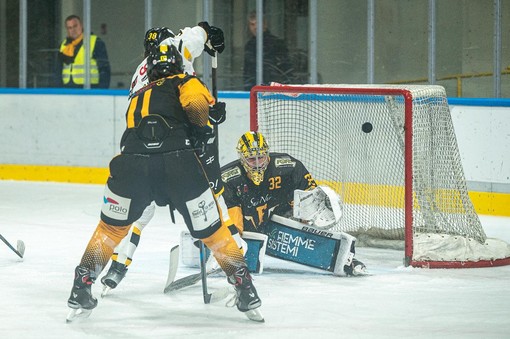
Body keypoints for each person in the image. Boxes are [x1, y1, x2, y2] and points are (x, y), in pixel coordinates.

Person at [66, 44, 262, 322]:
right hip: (179, 166)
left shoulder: (138, 94)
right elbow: (195, 107)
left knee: (109, 230)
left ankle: (81, 287)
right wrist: (206, 123)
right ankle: (245, 289)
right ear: (178, 65)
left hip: (131, 166)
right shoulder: (184, 81)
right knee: (214, 232)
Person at [100, 23, 236, 293]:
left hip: (138, 148)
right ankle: (234, 263)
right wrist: (209, 33)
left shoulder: (141, 71)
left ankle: (118, 264)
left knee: (138, 211)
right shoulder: (177, 47)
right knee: (209, 197)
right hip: (178, 149)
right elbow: (197, 37)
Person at [220, 131, 367, 276]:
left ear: (267, 154)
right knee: (232, 231)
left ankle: (342, 260)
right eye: (252, 159)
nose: (258, 164)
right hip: (248, 224)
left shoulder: (288, 167)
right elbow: (231, 218)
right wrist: (230, 249)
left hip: (276, 216)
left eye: (261, 157)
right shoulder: (229, 178)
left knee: (301, 215)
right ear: (242, 158)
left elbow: (310, 195)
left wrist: (310, 217)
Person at [56, 15, 111, 88]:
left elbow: (104, 69)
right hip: (68, 89)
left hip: (90, 88)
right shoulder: (63, 45)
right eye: (69, 28)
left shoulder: (95, 42)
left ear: (81, 26)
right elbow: (57, 70)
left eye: (75, 26)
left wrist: (102, 91)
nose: (73, 30)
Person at [243, 11, 294, 91]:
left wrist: (285, 86)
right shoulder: (249, 45)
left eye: (258, 23)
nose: (255, 27)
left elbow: (286, 68)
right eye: (252, 24)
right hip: (254, 90)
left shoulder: (277, 43)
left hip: (275, 90)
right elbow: (247, 72)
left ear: (265, 24)